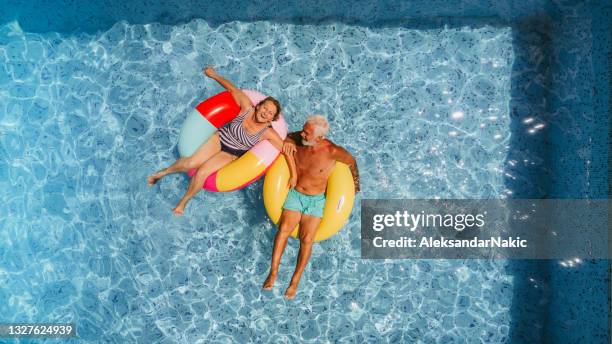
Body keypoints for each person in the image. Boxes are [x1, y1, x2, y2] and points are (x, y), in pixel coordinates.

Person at [147, 66, 285, 215]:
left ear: (273, 118)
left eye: (270, 113)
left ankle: (182, 203)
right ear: (258, 106)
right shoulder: (247, 108)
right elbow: (233, 89)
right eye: (264, 108)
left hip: (231, 154)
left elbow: (284, 148)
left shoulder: (268, 132)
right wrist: (213, 75)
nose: (265, 113)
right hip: (219, 139)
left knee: (201, 174)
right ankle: (163, 172)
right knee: (190, 163)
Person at [262, 115, 360, 299]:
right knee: (283, 229)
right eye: (303, 129)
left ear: (319, 138)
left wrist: (355, 184)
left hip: (316, 200)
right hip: (296, 194)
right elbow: (288, 136)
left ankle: (294, 281)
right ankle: (273, 272)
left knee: (306, 240)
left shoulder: (332, 151)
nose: (302, 134)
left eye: (307, 133)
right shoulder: (299, 140)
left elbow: (351, 162)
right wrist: (290, 140)